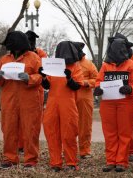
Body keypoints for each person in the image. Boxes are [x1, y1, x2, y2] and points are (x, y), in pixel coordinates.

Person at [94, 37, 133, 172]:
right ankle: (111, 161)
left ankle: (121, 161)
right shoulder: (105, 66)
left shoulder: (131, 65)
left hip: (125, 102)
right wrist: (98, 89)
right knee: (110, 133)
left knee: (124, 133)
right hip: (108, 103)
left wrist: (130, 89)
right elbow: (98, 81)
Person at [0, 31, 42, 169]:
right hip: (9, 100)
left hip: (29, 100)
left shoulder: (34, 58)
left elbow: (41, 76)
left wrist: (30, 78)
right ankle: (10, 158)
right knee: (8, 129)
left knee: (30, 130)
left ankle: (31, 160)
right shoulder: (4, 59)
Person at [41, 41, 84, 172]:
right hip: (52, 103)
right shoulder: (53, 67)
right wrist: (43, 77)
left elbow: (77, 86)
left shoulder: (76, 67)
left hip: (68, 104)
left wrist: (69, 78)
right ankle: (56, 163)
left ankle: (71, 163)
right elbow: (47, 85)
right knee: (51, 132)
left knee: (69, 134)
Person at [112, 33, 133, 162]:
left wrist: (131, 87)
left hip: (128, 96)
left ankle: (131, 151)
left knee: (131, 125)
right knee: (115, 127)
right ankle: (117, 151)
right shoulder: (110, 60)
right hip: (113, 98)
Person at [17, 30, 48, 154]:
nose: (31, 43)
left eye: (33, 41)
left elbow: (44, 72)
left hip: (37, 89)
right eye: (29, 41)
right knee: (19, 119)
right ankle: (21, 145)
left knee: (34, 120)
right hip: (21, 89)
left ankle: (31, 146)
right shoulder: (19, 53)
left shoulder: (40, 54)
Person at [72, 42, 98, 159]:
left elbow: (97, 79)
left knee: (85, 125)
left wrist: (86, 83)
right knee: (69, 125)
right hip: (69, 98)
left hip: (84, 99)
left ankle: (85, 151)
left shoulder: (89, 64)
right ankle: (69, 150)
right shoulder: (66, 64)